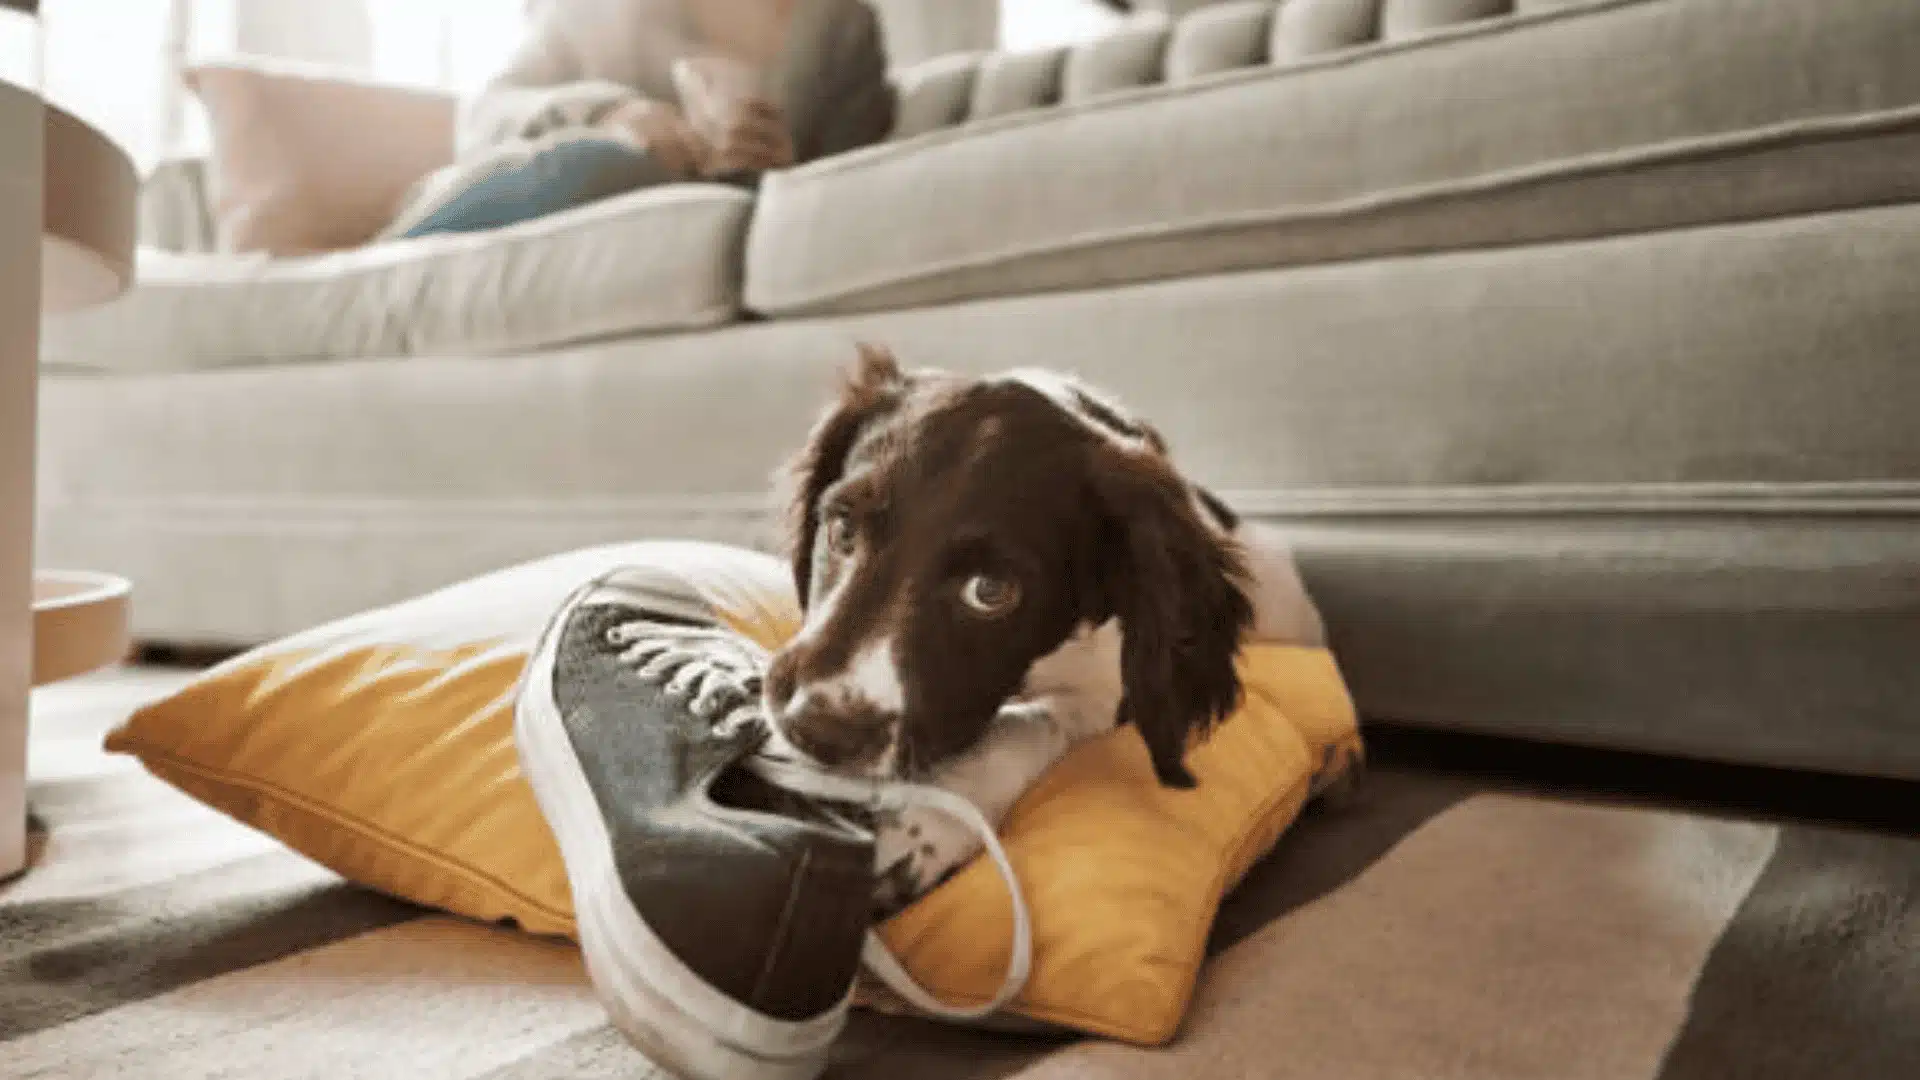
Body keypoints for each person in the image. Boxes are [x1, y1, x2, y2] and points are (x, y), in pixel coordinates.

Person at [386, 0, 894, 238]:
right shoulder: (595, 12)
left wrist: (786, 169)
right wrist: (611, 113)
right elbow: (482, 114)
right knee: (601, 162)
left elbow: (853, 192)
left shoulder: (840, 25)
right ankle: (378, 263)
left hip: (729, 232)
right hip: (558, 208)